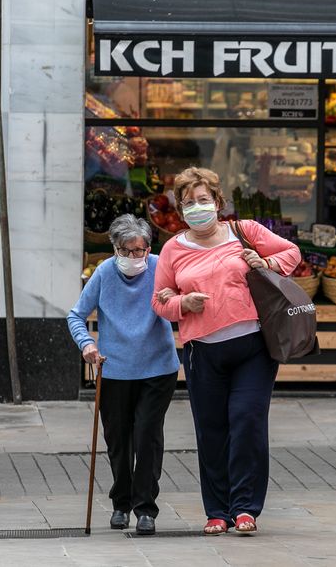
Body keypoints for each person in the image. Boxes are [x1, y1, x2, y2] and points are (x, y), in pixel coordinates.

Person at [151, 167, 302, 535]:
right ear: (181, 208)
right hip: (204, 353)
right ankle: (217, 511)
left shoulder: (243, 231)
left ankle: (246, 508)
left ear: (218, 203)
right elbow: (160, 300)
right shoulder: (173, 249)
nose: (197, 208)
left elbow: (292, 253)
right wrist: (184, 303)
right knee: (211, 430)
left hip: (253, 347)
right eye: (189, 203)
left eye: (204, 200)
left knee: (247, 422)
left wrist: (265, 262)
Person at [66, 214, 180, 535]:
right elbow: (76, 315)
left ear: (148, 247)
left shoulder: (160, 267)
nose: (134, 257)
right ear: (115, 248)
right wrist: (87, 344)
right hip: (114, 369)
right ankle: (121, 502)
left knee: (147, 436)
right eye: (126, 251)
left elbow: (183, 296)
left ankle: (145, 508)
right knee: (118, 440)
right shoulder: (103, 273)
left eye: (139, 250)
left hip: (158, 369)